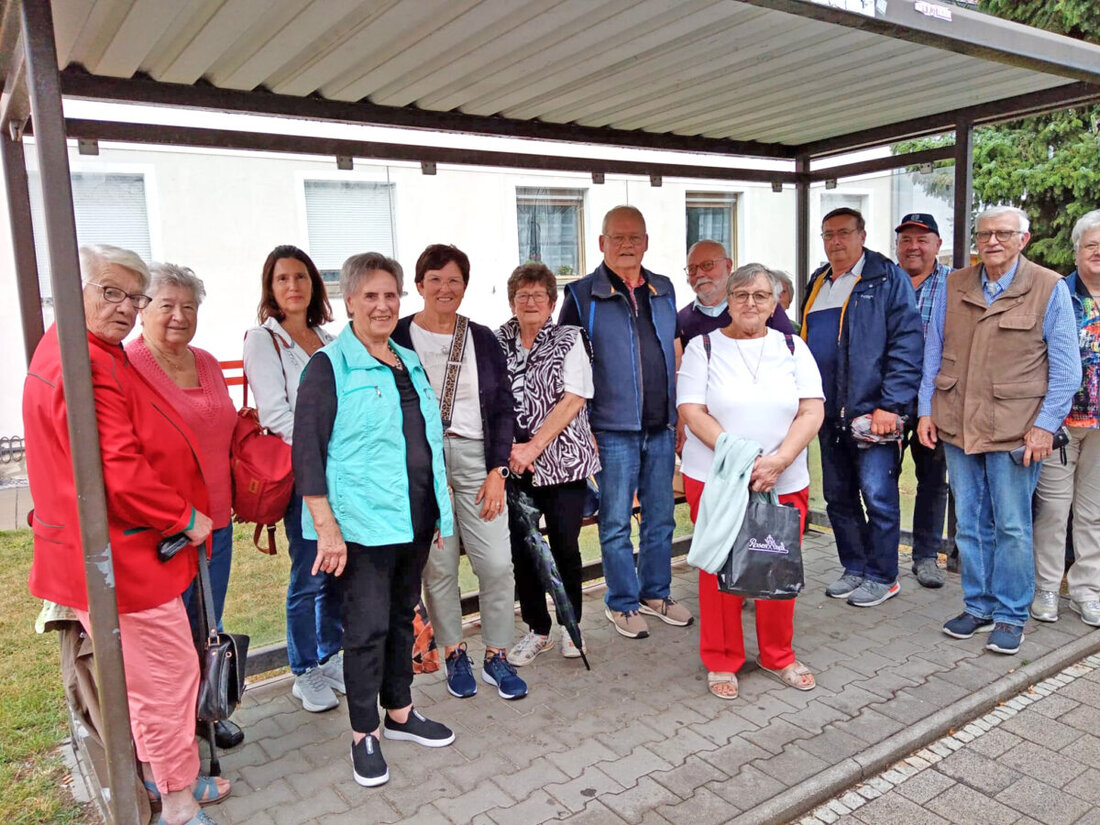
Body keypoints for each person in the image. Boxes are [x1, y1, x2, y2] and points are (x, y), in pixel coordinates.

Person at [24, 244, 230, 825]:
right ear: (73, 289)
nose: (122, 307)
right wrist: (186, 517)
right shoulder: (82, 361)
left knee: (156, 675)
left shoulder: (90, 349)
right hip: (125, 555)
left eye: (130, 296)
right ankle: (180, 805)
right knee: (166, 676)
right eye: (109, 291)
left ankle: (168, 779)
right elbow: (117, 470)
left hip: (125, 550)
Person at [293, 252, 456, 788]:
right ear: (349, 302)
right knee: (365, 630)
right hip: (359, 527)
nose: (383, 305)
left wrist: (436, 508)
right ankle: (365, 733)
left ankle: (401, 713)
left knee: (401, 618)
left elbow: (427, 441)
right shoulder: (328, 367)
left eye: (391, 295)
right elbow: (308, 455)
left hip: (412, 519)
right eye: (371, 296)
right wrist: (327, 527)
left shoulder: (406, 360)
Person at [918, 206, 1080, 655]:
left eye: (1004, 234)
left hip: (1016, 429)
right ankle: (979, 605)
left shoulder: (1048, 288)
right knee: (968, 524)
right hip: (956, 423)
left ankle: (1011, 614)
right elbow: (933, 350)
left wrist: (1045, 427)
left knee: (1011, 525)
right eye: (985, 233)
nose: (993, 241)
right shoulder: (955, 284)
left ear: (1022, 239)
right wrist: (925, 410)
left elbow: (1067, 371)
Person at [678, 264, 824, 699]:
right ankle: (722, 658)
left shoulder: (793, 347)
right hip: (717, 477)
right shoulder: (703, 347)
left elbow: (811, 410)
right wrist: (741, 458)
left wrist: (779, 459)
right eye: (740, 294)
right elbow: (691, 410)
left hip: (783, 477)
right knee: (718, 569)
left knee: (776, 564)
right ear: (728, 299)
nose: (750, 303)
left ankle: (778, 654)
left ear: (775, 300)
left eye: (760, 295)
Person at [392, 244, 527, 700]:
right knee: (440, 567)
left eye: (454, 280)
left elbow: (504, 408)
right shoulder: (397, 336)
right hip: (421, 464)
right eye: (435, 280)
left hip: (477, 460)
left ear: (465, 286)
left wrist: (498, 471)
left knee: (497, 563)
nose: (445, 288)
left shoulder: (482, 338)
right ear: (419, 285)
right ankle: (453, 652)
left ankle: (497, 655)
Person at [559, 205, 693, 639]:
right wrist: (584, 428)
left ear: (647, 242)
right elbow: (569, 365)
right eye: (616, 237)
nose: (626, 245)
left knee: (661, 517)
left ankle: (656, 593)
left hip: (661, 426)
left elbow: (674, 350)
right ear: (601, 243)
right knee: (615, 520)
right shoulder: (581, 294)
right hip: (610, 429)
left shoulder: (665, 288)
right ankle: (621, 602)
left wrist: (681, 415)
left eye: (634, 237)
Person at [126, 263, 243, 750]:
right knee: (171, 637)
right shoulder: (128, 365)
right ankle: (172, 738)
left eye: (188, 307)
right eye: (166, 305)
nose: (179, 316)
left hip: (217, 518)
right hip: (166, 527)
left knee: (208, 621)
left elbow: (225, 429)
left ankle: (206, 712)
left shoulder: (207, 361)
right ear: (142, 309)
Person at [800, 207, 923, 608]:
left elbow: (907, 344)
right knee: (838, 496)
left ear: (862, 235)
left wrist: (891, 404)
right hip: (827, 412)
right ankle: (854, 567)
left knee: (879, 496)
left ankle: (884, 576)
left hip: (874, 414)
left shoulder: (887, 278)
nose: (835, 241)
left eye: (843, 233)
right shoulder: (818, 282)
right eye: (828, 234)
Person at [243, 245, 342, 713]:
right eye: (283, 279)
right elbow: (275, 413)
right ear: (271, 288)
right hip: (304, 471)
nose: (293, 286)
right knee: (307, 573)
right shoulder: (263, 340)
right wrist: (319, 453)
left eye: (301, 277)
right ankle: (304, 670)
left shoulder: (329, 337)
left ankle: (330, 653)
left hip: (340, 469)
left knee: (336, 567)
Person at [496, 263, 601, 665]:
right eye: (522, 295)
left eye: (539, 295)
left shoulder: (569, 338)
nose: (530, 301)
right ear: (511, 301)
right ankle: (537, 629)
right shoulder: (498, 339)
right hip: (514, 465)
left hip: (563, 462)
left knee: (563, 546)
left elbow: (575, 397)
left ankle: (571, 628)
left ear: (552, 302)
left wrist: (532, 447)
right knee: (522, 549)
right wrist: (509, 449)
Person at [1031, 209, 1100, 626]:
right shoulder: (1058, 293)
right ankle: (1045, 588)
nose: (1098, 253)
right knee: (1054, 510)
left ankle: (1087, 590)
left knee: (1093, 512)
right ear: (1076, 251)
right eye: (1091, 245)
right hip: (1061, 422)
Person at [894, 214, 952, 589]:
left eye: (922, 239)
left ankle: (926, 556)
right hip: (890, 398)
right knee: (881, 479)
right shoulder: (884, 281)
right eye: (906, 239)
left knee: (933, 480)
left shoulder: (956, 284)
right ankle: (878, 554)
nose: (913, 246)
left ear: (937, 244)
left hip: (937, 398)